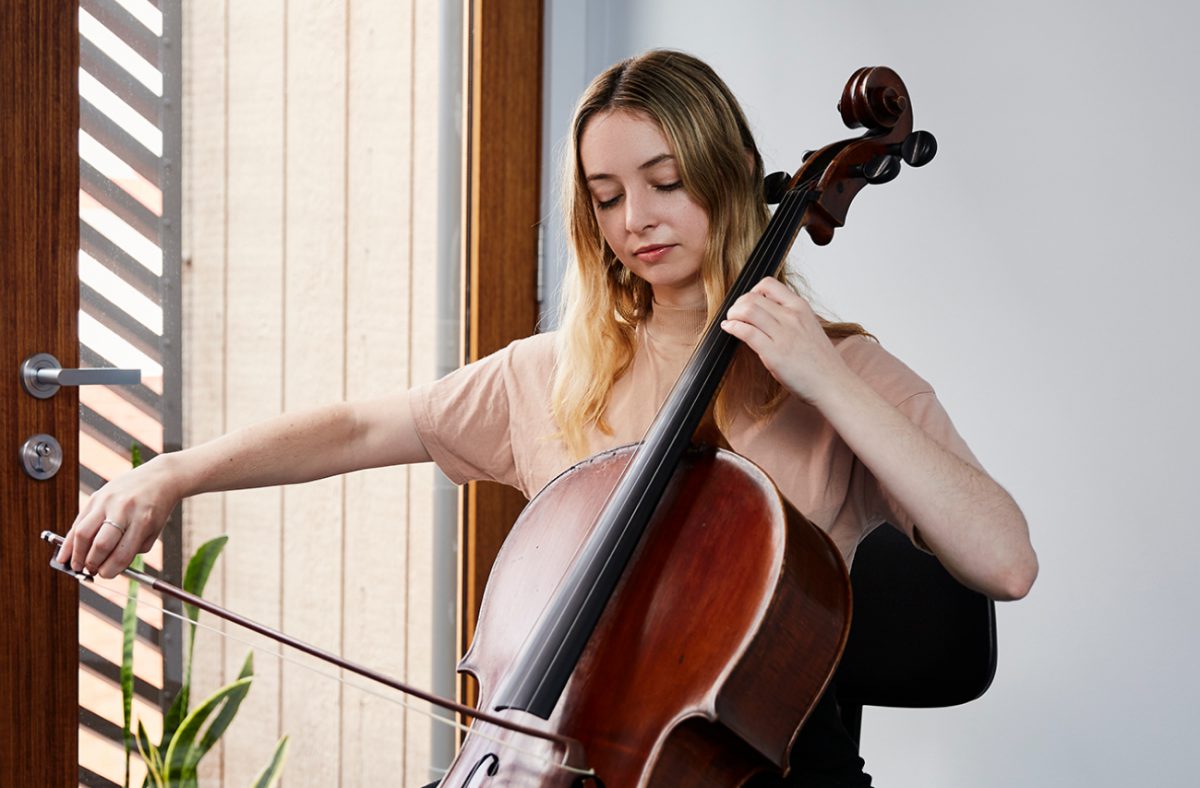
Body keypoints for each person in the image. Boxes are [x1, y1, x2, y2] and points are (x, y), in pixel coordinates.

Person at [57, 49, 1037, 786]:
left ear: (730, 169)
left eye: (664, 182)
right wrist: (170, 473)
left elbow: (1005, 560)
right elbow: (363, 424)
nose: (635, 222)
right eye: (607, 198)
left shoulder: (844, 375)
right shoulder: (555, 374)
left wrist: (829, 378)